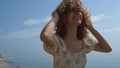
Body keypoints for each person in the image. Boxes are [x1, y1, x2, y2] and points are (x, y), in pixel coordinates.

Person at [40, 0, 112, 68]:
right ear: (63, 16)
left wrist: (91, 28)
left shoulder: (85, 43)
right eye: (72, 10)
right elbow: (45, 35)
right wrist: (55, 18)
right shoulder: (58, 43)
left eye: (79, 10)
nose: (77, 12)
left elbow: (107, 49)